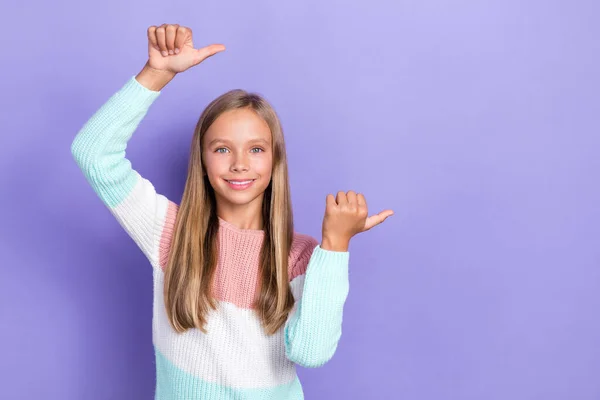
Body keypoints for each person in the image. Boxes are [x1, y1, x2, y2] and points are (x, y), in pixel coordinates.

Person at [71, 23, 394, 400]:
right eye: (223, 149)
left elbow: (312, 352)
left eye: (256, 149)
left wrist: (335, 246)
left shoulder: (301, 257)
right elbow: (93, 154)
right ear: (202, 161)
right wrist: (156, 74)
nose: (240, 163)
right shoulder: (170, 232)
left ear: (275, 161)